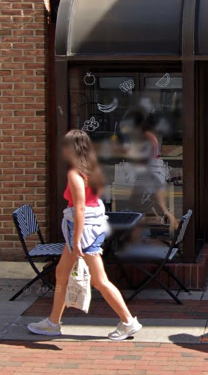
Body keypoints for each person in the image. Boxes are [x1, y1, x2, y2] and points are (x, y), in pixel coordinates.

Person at [28, 130, 143, 341]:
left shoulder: (75, 174)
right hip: (90, 228)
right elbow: (94, 202)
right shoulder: (94, 169)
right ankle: (53, 322)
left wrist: (75, 241)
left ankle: (128, 322)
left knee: (99, 280)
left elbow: (80, 209)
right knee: (62, 273)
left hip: (82, 232)